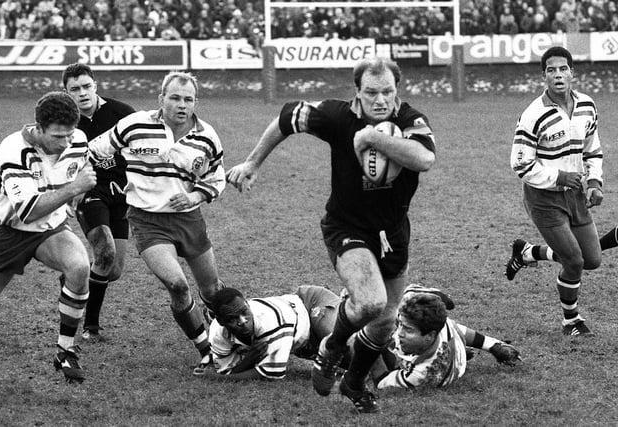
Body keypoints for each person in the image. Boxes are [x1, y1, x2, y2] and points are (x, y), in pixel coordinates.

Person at [227, 57, 436, 413]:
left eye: (388, 91)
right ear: (357, 93)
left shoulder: (409, 119)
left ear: (397, 91)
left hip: (393, 231)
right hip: (346, 227)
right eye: (371, 92)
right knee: (369, 302)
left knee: (384, 321)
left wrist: (373, 138)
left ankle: (353, 381)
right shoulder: (337, 116)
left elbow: (424, 158)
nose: (381, 100)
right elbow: (286, 118)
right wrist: (253, 162)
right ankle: (332, 347)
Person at [87, 71, 225, 370]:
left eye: (187, 99)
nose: (181, 104)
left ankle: (225, 334)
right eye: (174, 97)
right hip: (147, 221)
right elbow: (93, 150)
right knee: (177, 285)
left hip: (189, 220)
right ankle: (206, 351)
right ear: (161, 99)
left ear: (195, 102)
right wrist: (98, 181)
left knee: (213, 290)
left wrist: (196, 196)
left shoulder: (206, 136)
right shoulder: (134, 125)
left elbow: (216, 177)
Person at [0, 92, 97, 383]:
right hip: (8, 232)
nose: (66, 142)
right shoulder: (13, 149)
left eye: (70, 134)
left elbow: (83, 169)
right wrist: (72, 189)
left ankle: (65, 351)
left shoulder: (76, 139)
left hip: (50, 231)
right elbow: (28, 212)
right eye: (58, 136)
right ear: (38, 128)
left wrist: (76, 195)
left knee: (80, 266)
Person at [507, 46, 603, 337]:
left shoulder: (587, 106)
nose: (558, 75)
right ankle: (570, 321)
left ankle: (528, 253)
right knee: (574, 261)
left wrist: (595, 182)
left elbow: (592, 149)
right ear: (543, 77)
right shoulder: (533, 114)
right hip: (544, 198)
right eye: (551, 70)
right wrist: (559, 175)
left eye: (563, 69)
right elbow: (520, 163)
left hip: (575, 194)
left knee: (593, 261)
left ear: (573, 73)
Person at [203, 284, 455, 381]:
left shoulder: (269, 323)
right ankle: (407, 359)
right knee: (352, 358)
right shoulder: (217, 333)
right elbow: (227, 370)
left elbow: (270, 373)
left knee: (348, 344)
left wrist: (223, 376)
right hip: (305, 340)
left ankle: (411, 296)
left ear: (247, 302)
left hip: (311, 304)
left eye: (243, 311)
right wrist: (246, 361)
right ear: (219, 320)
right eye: (232, 319)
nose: (242, 321)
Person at [62, 63, 135, 341]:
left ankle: (74, 282)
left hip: (122, 193)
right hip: (89, 191)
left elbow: (145, 144)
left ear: (95, 85)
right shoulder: (66, 122)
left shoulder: (122, 113)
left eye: (86, 86)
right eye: (74, 89)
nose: (82, 93)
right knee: (104, 253)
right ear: (66, 93)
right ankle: (91, 327)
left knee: (112, 269)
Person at [370, 284, 521, 390]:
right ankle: (491, 345)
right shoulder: (439, 326)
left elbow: (382, 380)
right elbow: (456, 330)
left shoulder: (423, 373)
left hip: (449, 359)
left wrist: (369, 343)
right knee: (401, 306)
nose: (400, 332)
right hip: (453, 345)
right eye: (401, 326)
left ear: (430, 336)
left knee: (370, 347)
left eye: (407, 330)